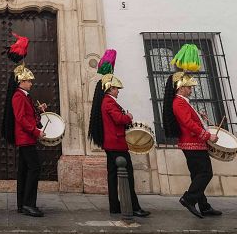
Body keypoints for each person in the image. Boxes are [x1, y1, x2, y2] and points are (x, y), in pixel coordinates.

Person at [87, 49, 150, 217]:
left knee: (114, 176)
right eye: (116, 88)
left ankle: (115, 206)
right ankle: (134, 206)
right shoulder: (109, 102)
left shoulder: (107, 101)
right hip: (117, 144)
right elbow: (118, 119)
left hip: (112, 144)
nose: (118, 91)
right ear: (110, 88)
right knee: (127, 177)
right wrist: (128, 117)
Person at [162, 43, 222, 219]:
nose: (191, 89)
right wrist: (206, 135)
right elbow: (187, 123)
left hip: (194, 143)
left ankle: (204, 206)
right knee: (205, 173)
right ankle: (189, 199)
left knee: (198, 175)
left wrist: (200, 116)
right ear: (181, 88)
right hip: (193, 143)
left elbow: (190, 118)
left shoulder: (182, 102)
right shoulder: (179, 102)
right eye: (189, 87)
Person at [2, 33, 45, 218]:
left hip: (27, 138)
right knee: (34, 169)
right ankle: (29, 204)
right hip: (26, 138)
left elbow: (27, 114)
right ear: (21, 81)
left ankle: (22, 204)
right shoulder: (18, 96)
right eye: (28, 80)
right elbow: (21, 118)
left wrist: (39, 110)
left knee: (25, 171)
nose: (31, 83)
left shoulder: (23, 96)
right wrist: (35, 131)